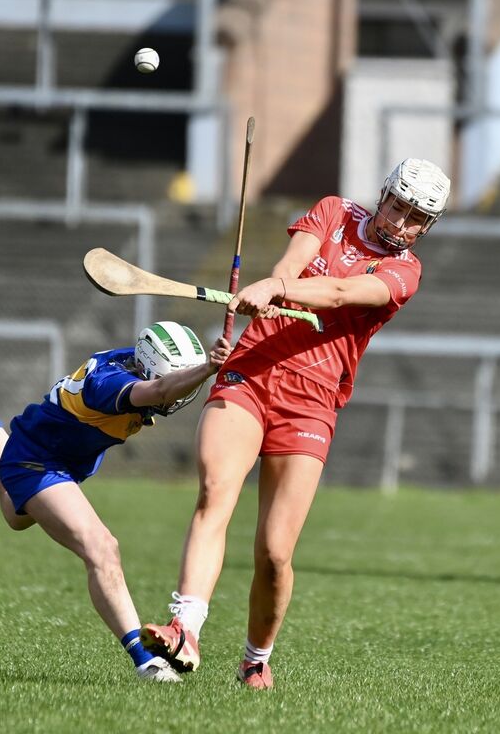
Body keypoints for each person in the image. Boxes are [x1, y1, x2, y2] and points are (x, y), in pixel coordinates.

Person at [139, 158, 451, 689]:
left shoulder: (404, 272)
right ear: (384, 195)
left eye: (416, 218)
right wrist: (275, 283)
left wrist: (279, 291)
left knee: (275, 552)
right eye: (397, 206)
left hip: (311, 401)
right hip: (251, 371)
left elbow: (338, 294)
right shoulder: (334, 211)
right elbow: (292, 265)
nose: (400, 222)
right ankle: (184, 627)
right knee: (216, 490)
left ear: (427, 227)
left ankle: (256, 658)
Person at [0, 322, 231, 682]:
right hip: (39, 459)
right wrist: (208, 369)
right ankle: (146, 663)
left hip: (59, 455)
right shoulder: (110, 384)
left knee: (15, 515)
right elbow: (163, 388)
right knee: (102, 548)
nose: (181, 397)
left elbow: (166, 383)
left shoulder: (135, 363)